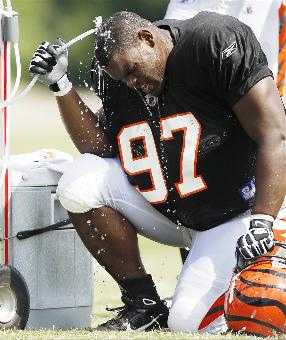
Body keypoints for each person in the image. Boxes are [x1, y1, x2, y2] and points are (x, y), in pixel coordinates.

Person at [29, 10, 286, 333]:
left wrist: (262, 219)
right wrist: (60, 84)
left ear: (148, 38)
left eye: (133, 71)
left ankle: (267, 254)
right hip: (168, 209)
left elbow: (274, 132)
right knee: (78, 182)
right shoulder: (116, 73)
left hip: (231, 214)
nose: (131, 83)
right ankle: (144, 305)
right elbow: (101, 149)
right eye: (123, 78)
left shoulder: (213, 41)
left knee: (187, 323)